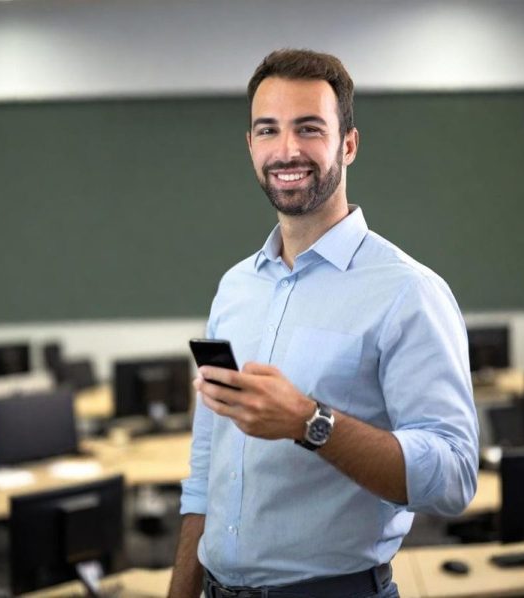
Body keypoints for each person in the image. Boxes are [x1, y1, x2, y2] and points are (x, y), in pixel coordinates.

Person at [168, 49, 479, 598]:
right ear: (250, 146)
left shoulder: (408, 292)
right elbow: (207, 467)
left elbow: (454, 479)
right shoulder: (235, 288)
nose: (286, 150)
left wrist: (311, 422)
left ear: (348, 144)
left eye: (309, 128)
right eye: (268, 130)